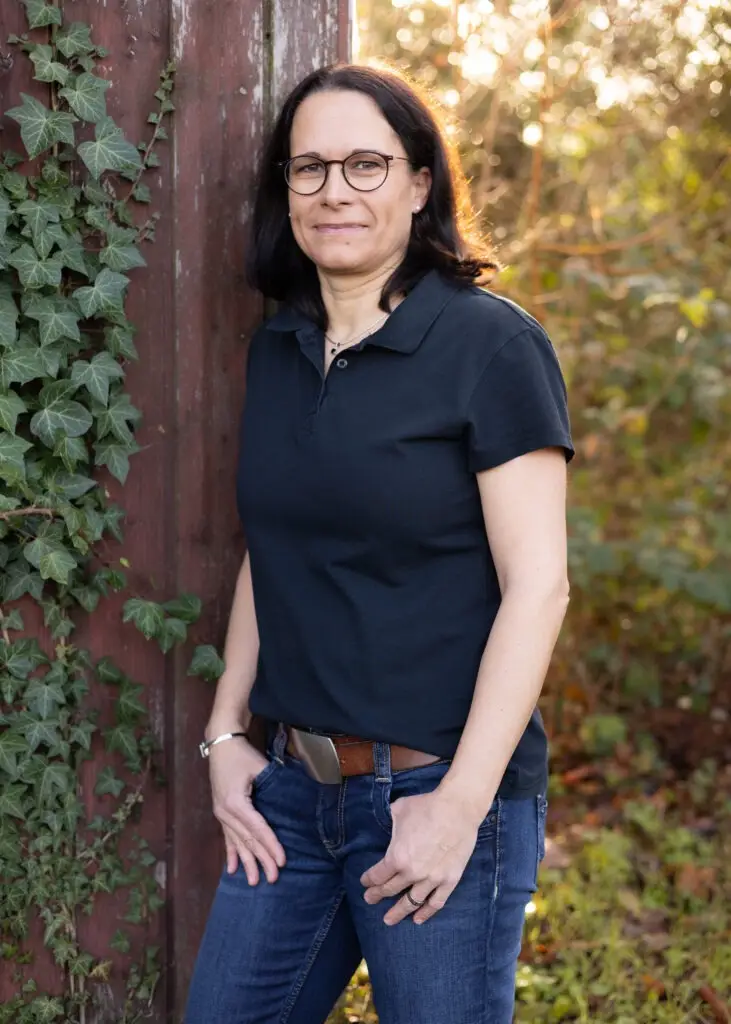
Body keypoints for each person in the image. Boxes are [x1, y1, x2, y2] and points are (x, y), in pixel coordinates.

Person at [184, 62, 574, 1024]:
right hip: (291, 798)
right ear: (285, 190)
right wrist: (228, 730)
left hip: (439, 789)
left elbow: (540, 589)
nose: (334, 192)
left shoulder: (490, 346)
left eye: (366, 164)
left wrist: (459, 809)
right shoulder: (278, 347)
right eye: (308, 168)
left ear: (419, 182)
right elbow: (269, 549)